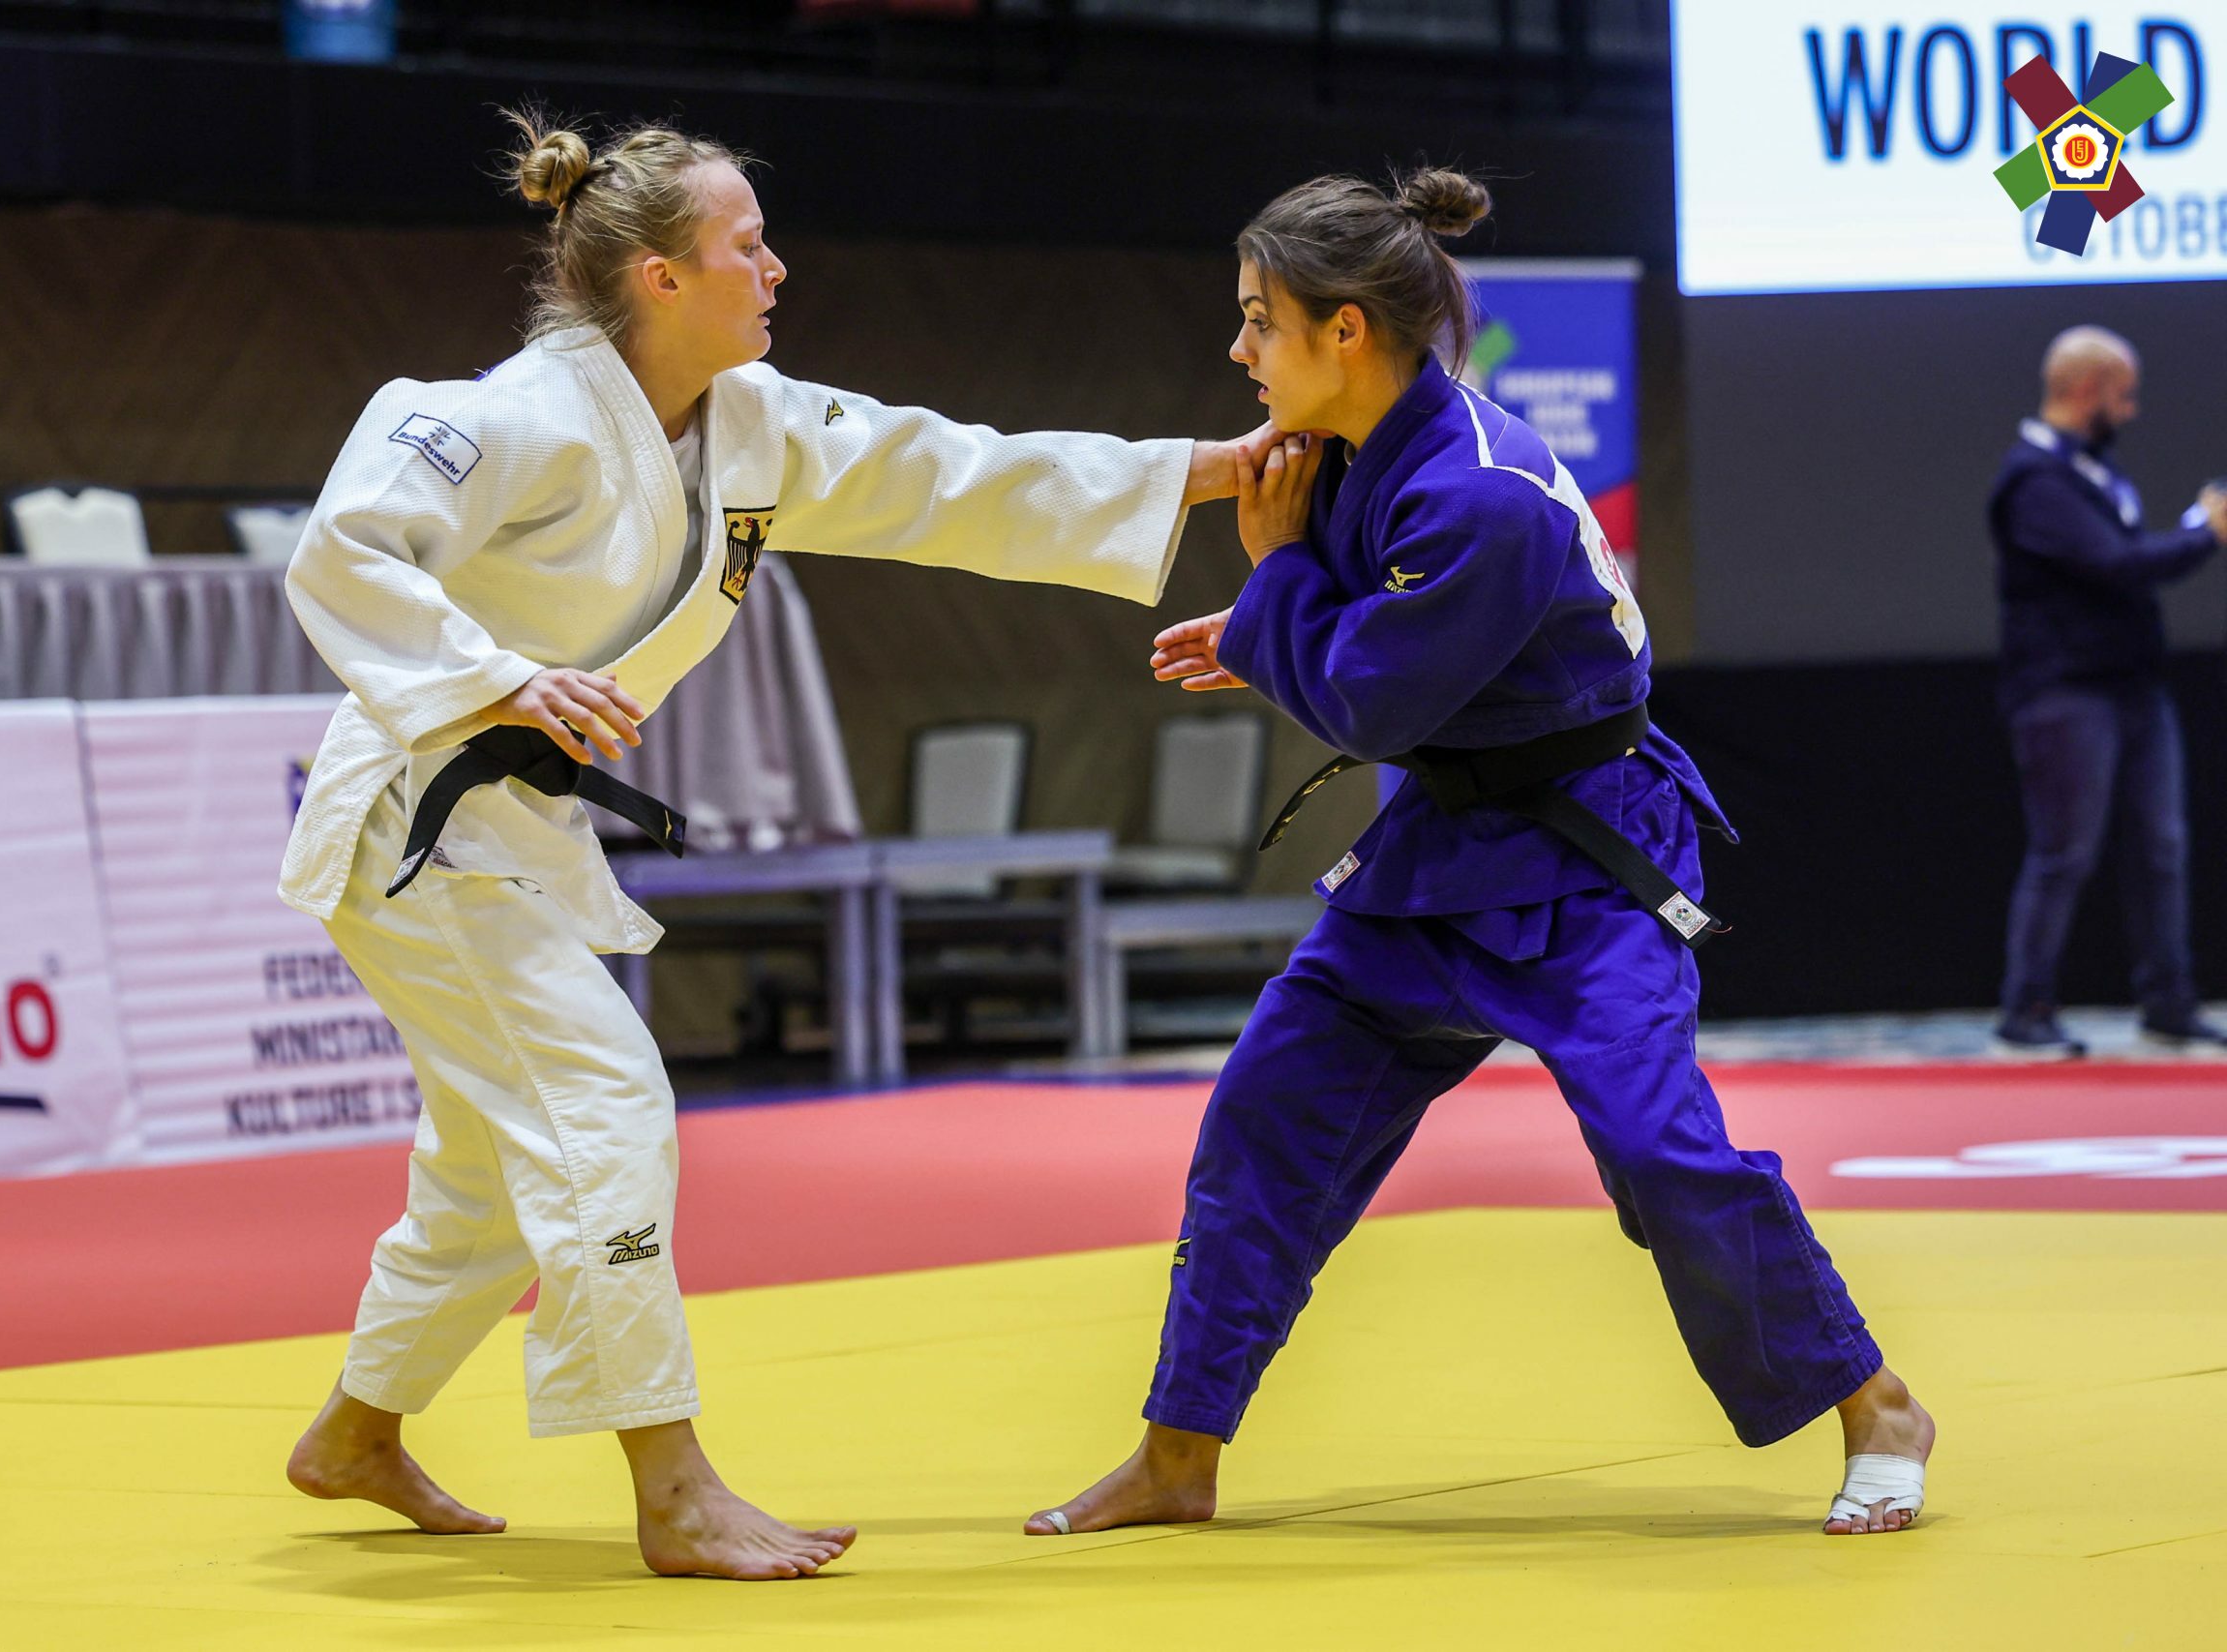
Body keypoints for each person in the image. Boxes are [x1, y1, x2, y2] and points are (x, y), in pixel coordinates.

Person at [274, 114, 1262, 1580]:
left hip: (516, 834)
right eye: (748, 244)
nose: (777, 267)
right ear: (661, 277)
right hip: (420, 826)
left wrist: (1206, 470)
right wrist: (490, 672)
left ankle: (355, 1429)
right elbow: (344, 542)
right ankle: (670, 1485)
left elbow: (954, 475)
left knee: (491, 1171)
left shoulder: (751, 424)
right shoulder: (507, 413)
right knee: (605, 1108)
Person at [1025, 167, 1935, 1543]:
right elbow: (1368, 657)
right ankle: (1178, 1448)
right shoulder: (1338, 454)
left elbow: (1373, 698)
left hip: (1588, 857)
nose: (1237, 349)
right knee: (1265, 1118)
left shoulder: (1478, 492)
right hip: (1436, 854)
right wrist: (1272, 617)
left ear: (1346, 331)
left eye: (1257, 320)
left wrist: (1272, 592)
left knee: (1657, 1148)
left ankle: (1877, 1402)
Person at [1990, 325, 2227, 1057]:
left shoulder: (2094, 471)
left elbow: (2123, 560)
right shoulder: (2034, 480)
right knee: (2065, 851)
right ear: (2085, 389)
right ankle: (2024, 1012)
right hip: (2066, 693)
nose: (2130, 410)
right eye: (2123, 394)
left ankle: (2168, 1003)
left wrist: (2194, 529)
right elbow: (2115, 564)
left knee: (2161, 846)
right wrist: (2206, 533)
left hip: (2133, 688)